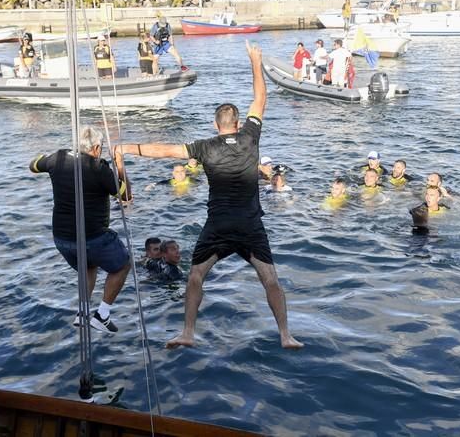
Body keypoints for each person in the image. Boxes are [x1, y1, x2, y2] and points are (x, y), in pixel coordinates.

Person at [115, 41, 303, 349]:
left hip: (217, 227)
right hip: (249, 226)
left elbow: (164, 151)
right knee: (270, 280)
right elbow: (260, 97)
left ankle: (188, 332)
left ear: (216, 126)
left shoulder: (204, 147)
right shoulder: (250, 138)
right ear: (238, 124)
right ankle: (286, 335)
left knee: (195, 277)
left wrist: (129, 148)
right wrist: (255, 61)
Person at [29, 126, 131, 333]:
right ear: (95, 148)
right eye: (100, 148)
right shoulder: (99, 168)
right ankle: (102, 315)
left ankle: (82, 311)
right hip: (93, 237)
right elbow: (126, 195)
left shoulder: (57, 158)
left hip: (62, 240)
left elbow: (33, 165)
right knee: (123, 265)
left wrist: (51, 156)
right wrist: (119, 166)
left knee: (88, 266)